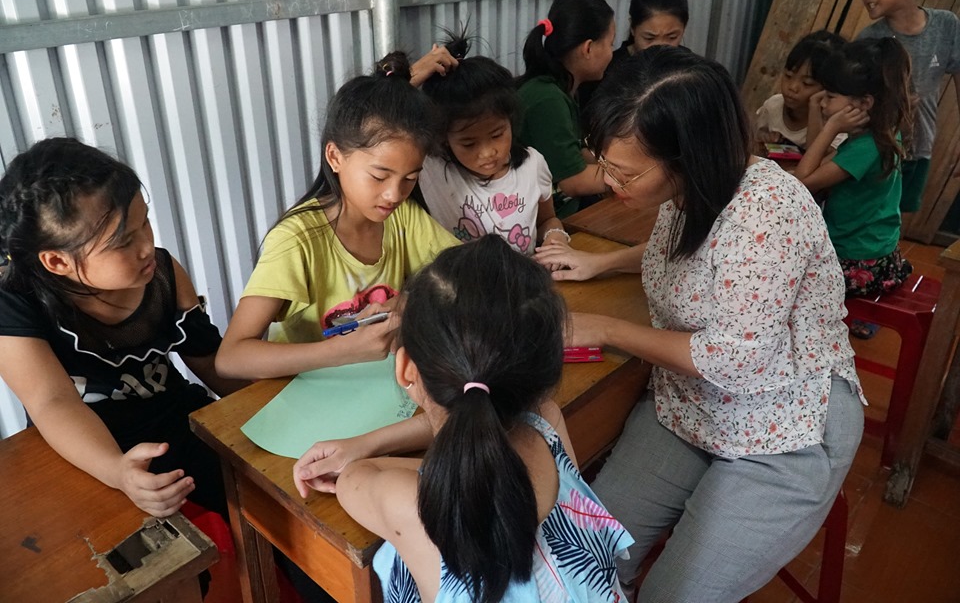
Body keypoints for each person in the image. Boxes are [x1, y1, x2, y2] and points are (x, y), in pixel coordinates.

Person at [534, 47, 864, 602]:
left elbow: (736, 358)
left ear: (687, 156)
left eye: (624, 172)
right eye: (604, 162)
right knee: (577, 568)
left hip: (784, 429)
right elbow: (690, 251)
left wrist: (605, 330)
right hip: (689, 405)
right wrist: (602, 261)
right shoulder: (693, 190)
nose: (609, 179)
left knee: (670, 595)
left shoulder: (771, 211)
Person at [293, 235, 634, 602]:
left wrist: (365, 445)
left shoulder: (402, 500)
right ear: (543, 376)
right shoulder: (547, 421)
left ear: (406, 368)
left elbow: (360, 476)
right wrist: (366, 445)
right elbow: (478, 423)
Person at [0, 137, 244, 518]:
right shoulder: (15, 302)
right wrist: (118, 471)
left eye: (144, 221)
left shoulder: (162, 273)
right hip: (84, 454)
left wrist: (274, 402)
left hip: (176, 426)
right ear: (57, 261)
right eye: (123, 241)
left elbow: (210, 360)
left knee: (264, 508)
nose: (147, 246)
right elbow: (52, 402)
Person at [216, 53, 459, 380]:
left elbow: (467, 274)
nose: (394, 194)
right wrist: (342, 351)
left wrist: (413, 300)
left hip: (377, 386)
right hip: (307, 394)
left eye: (410, 178)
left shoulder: (403, 219)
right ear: (335, 157)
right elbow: (231, 358)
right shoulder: (297, 239)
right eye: (379, 176)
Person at [418, 34, 569, 256]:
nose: (488, 153)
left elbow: (547, 219)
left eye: (497, 134)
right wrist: (412, 75)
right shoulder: (433, 170)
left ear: (511, 120)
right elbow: (371, 131)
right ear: (444, 138)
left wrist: (554, 236)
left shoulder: (532, 165)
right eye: (469, 143)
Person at [794, 37, 914, 308]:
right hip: (873, 251)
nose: (822, 102)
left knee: (782, 276)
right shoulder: (877, 133)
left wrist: (830, 128)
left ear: (864, 103)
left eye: (830, 97)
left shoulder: (867, 148)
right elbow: (817, 159)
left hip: (857, 261)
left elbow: (802, 181)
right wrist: (821, 115)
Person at [856, 0, 960, 213]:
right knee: (872, 214)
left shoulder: (946, 26)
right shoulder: (868, 40)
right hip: (878, 150)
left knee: (899, 216)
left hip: (919, 148)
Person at [517, 0, 615, 217]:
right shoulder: (546, 99)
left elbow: (576, 151)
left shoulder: (561, 88)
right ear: (588, 48)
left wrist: (617, 165)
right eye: (610, 44)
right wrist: (635, 176)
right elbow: (574, 180)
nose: (612, 52)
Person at [579, 0, 690, 107]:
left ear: (684, 28)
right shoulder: (608, 72)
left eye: (672, 37)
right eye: (649, 38)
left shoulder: (689, 69)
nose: (660, 47)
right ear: (633, 28)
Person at [755, 30, 847, 149]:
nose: (792, 87)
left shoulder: (835, 124)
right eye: (788, 76)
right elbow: (757, 135)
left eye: (807, 83)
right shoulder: (773, 107)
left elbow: (819, 158)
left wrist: (814, 108)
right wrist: (764, 137)